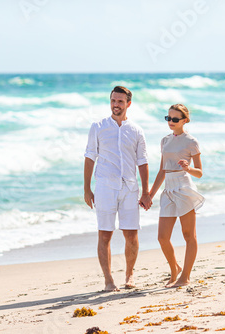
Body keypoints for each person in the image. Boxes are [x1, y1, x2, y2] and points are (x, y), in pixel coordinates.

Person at [84, 86, 152, 292]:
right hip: (105, 187)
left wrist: (146, 192)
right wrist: (87, 189)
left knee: (131, 234)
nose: (116, 105)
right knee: (105, 235)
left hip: (130, 188)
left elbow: (143, 161)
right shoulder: (98, 126)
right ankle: (108, 280)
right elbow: (89, 157)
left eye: (120, 101)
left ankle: (129, 275)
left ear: (128, 104)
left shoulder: (136, 130)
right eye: (113, 100)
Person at [149, 104, 205, 288]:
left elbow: (199, 173)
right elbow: (161, 170)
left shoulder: (191, 141)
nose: (170, 122)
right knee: (162, 237)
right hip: (168, 189)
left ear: (185, 120)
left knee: (189, 235)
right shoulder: (164, 140)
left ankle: (185, 277)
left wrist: (188, 168)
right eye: (168, 118)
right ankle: (175, 270)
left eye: (175, 119)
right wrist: (150, 194)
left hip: (183, 186)